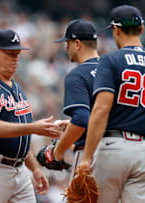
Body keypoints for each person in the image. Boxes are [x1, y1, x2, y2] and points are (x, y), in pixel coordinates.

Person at [76, 5, 145, 202]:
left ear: (115, 30)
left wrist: (87, 158)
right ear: (141, 29)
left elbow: (101, 110)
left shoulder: (110, 60)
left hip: (113, 148)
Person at [0, 28, 61, 203]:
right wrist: (33, 127)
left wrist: (35, 169)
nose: (15, 59)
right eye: (9, 53)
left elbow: (19, 138)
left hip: (19, 170)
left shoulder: (16, 88)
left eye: (17, 54)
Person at [46, 19, 100, 177]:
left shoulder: (77, 74)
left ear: (77, 44)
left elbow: (82, 119)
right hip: (125, 150)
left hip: (92, 153)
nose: (66, 48)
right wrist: (70, 124)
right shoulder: (114, 71)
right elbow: (108, 117)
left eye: (68, 43)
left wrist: (58, 151)